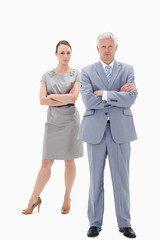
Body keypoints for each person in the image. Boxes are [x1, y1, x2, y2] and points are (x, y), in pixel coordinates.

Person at [78, 32, 137, 238]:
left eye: (110, 46)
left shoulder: (128, 70)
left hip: (120, 130)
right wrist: (117, 95)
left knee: (121, 179)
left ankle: (125, 223)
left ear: (116, 47)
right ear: (97, 49)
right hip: (95, 131)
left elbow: (130, 98)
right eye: (103, 46)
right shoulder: (86, 72)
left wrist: (101, 93)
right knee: (95, 179)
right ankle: (94, 223)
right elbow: (88, 101)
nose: (107, 50)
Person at [22, 40, 83, 215]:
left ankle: (66, 197)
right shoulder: (46, 76)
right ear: (55, 54)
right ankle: (33, 199)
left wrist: (53, 96)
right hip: (53, 122)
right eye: (62, 52)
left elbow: (73, 99)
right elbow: (42, 100)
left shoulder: (77, 75)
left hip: (70, 122)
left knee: (69, 161)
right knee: (45, 163)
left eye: (68, 52)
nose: (65, 56)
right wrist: (63, 97)